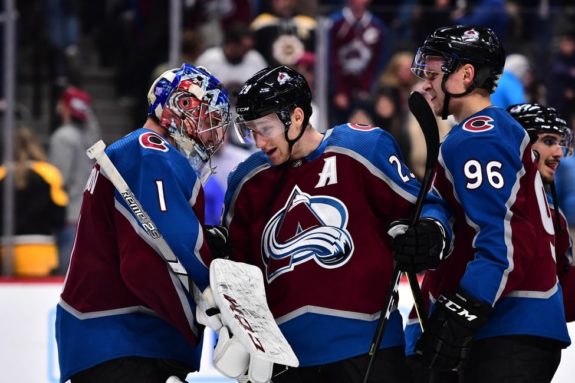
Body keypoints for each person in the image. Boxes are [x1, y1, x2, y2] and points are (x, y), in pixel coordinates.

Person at [222, 65, 449, 382]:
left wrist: (428, 234)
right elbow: (237, 271)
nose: (258, 142)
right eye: (250, 131)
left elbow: (424, 208)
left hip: (368, 348)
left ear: (297, 117)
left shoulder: (361, 148)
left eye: (265, 128)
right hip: (284, 360)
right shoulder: (246, 181)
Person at [391, 25, 571, 382]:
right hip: (518, 325)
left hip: (507, 327)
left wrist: (464, 310)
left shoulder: (479, 135)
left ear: (466, 75)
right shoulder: (486, 131)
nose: (426, 83)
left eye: (433, 72)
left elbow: (498, 238)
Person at [55, 64, 232, 382]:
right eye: (210, 119)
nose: (216, 134)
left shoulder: (144, 153)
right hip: (125, 340)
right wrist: (217, 301)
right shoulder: (150, 153)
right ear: (182, 108)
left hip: (126, 342)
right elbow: (154, 255)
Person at [507, 103, 575, 323]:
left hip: (536, 340)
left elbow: (565, 298)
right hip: (493, 339)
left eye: (560, 143)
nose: (558, 153)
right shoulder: (487, 200)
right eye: (548, 141)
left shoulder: (555, 216)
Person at [0, 127, 68, 277]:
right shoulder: (50, 173)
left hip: (6, 249)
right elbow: (60, 216)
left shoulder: (2, 174)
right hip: (41, 249)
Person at [49, 86, 100, 274]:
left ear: (64, 107)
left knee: (65, 276)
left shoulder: (63, 137)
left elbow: (58, 178)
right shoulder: (91, 136)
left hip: (69, 212)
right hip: (87, 211)